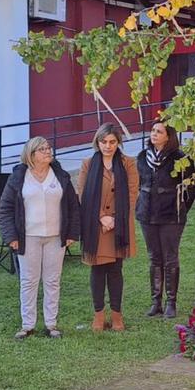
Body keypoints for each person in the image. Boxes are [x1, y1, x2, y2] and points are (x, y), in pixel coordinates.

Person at [0, 137, 80, 340]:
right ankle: (28, 325)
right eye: (42, 149)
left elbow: (73, 205)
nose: (48, 151)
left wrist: (72, 233)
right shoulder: (19, 177)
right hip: (28, 237)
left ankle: (51, 324)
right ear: (31, 154)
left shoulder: (60, 175)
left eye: (49, 148)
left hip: (55, 236)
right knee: (29, 280)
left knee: (52, 280)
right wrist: (11, 236)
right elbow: (6, 208)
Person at [78, 124, 139, 332]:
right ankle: (98, 315)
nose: (108, 146)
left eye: (112, 142)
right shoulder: (88, 164)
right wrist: (100, 217)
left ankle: (116, 315)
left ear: (118, 142)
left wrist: (113, 218)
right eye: (104, 142)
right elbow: (83, 195)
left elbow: (132, 195)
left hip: (118, 224)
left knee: (115, 270)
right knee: (97, 269)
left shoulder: (128, 163)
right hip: (96, 225)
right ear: (97, 142)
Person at [137, 120, 195, 319]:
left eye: (159, 131)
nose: (154, 134)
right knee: (154, 258)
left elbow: (191, 188)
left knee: (170, 258)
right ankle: (156, 302)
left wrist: (180, 208)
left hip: (172, 216)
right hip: (147, 215)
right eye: (153, 130)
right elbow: (138, 184)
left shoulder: (181, 159)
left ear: (168, 136)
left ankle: (171, 302)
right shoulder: (142, 157)